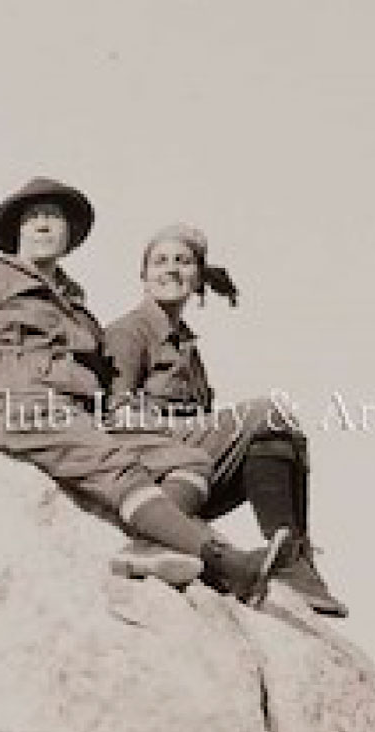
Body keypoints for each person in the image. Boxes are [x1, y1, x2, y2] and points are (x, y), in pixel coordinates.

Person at [0, 178, 290, 602]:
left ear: (69, 235)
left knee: (187, 459)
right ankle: (227, 566)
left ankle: (151, 546)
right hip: (19, 406)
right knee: (115, 464)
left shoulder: (79, 308)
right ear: (18, 231)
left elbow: (106, 384)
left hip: (81, 417)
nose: (44, 224)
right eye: (33, 218)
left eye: (54, 217)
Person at [104, 224, 347, 617]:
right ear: (144, 276)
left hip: (190, 465)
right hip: (151, 463)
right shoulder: (129, 332)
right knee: (271, 411)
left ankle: (296, 559)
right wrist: (178, 431)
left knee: (279, 439)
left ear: (198, 276)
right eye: (160, 262)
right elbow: (116, 416)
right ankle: (292, 561)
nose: (171, 270)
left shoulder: (186, 346)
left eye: (183, 262)